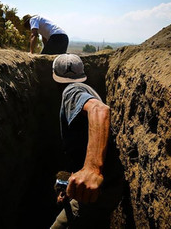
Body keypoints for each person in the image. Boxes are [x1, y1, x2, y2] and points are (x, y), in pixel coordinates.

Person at [50, 54, 123, 229]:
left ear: (55, 79)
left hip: (97, 192)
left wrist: (92, 168)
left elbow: (100, 110)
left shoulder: (71, 92)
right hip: (108, 187)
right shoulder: (86, 90)